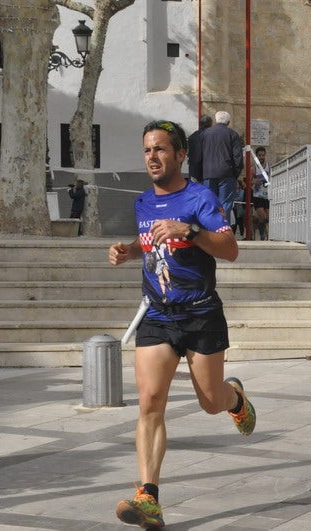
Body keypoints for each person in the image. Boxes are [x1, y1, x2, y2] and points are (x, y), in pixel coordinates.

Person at [108, 119, 256, 530]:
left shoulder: (200, 197)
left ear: (179, 155)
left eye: (160, 149)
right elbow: (150, 243)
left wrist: (189, 230)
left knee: (210, 401)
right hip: (157, 314)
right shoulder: (143, 202)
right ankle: (149, 497)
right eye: (147, 150)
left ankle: (235, 399)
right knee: (150, 403)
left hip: (201, 313)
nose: (152, 157)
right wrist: (129, 251)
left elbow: (230, 249)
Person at [201, 110, 244, 224]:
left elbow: (199, 154)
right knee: (225, 205)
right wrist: (235, 173)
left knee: (210, 203)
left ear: (215, 120)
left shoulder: (205, 134)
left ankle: (210, 229)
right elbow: (238, 157)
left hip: (208, 173)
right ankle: (222, 229)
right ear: (228, 122)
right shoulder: (232, 134)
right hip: (227, 173)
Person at [248, 146, 270, 240]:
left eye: (263, 155)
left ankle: (259, 228)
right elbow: (248, 183)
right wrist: (253, 182)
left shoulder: (269, 166)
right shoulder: (253, 169)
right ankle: (262, 235)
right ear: (256, 156)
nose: (261, 157)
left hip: (267, 195)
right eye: (259, 155)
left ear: (265, 155)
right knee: (263, 217)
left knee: (267, 218)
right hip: (257, 196)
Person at [187, 114, 212, 182]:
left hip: (194, 169)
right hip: (208, 170)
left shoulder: (193, 136)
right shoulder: (213, 136)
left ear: (200, 124)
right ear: (210, 124)